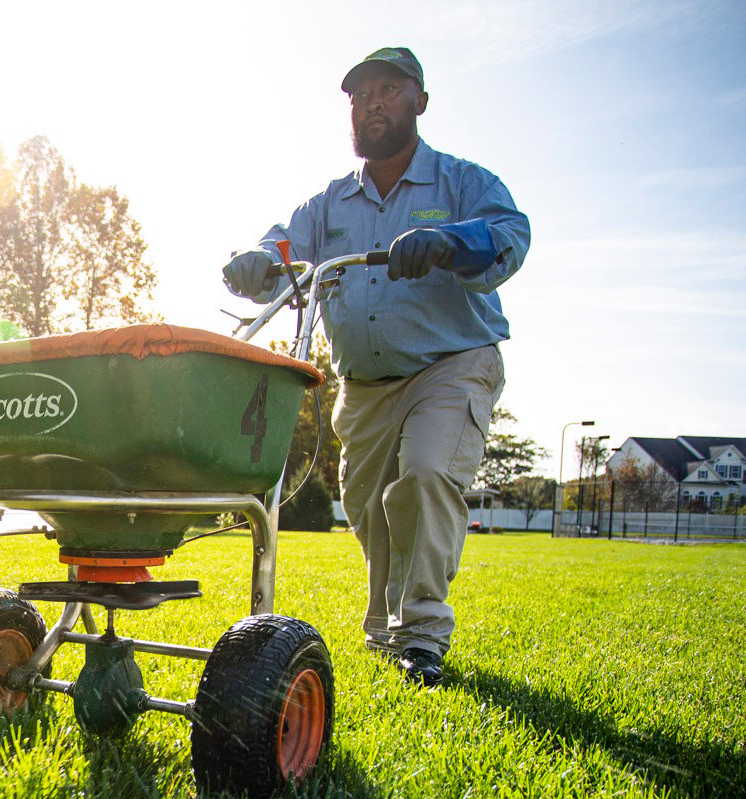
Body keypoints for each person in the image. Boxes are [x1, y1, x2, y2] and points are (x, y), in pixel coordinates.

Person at [222, 47, 529, 687]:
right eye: (361, 96)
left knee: (423, 477)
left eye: (388, 90)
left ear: (419, 100)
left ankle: (421, 638)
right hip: (362, 387)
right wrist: (256, 259)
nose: (373, 104)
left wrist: (451, 241)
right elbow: (283, 246)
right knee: (366, 509)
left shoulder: (460, 183)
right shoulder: (330, 205)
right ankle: (385, 627)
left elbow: (510, 233)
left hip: (450, 364)